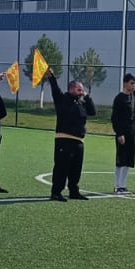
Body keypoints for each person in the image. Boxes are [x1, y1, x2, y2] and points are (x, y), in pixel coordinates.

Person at [44, 71, 95, 201]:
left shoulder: (81, 102)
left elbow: (93, 112)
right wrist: (51, 77)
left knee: (76, 169)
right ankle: (56, 192)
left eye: (82, 90)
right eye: (79, 89)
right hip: (64, 139)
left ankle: (74, 190)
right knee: (62, 167)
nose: (81, 92)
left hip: (78, 141)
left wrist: (87, 97)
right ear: (71, 89)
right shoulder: (62, 99)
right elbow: (55, 89)